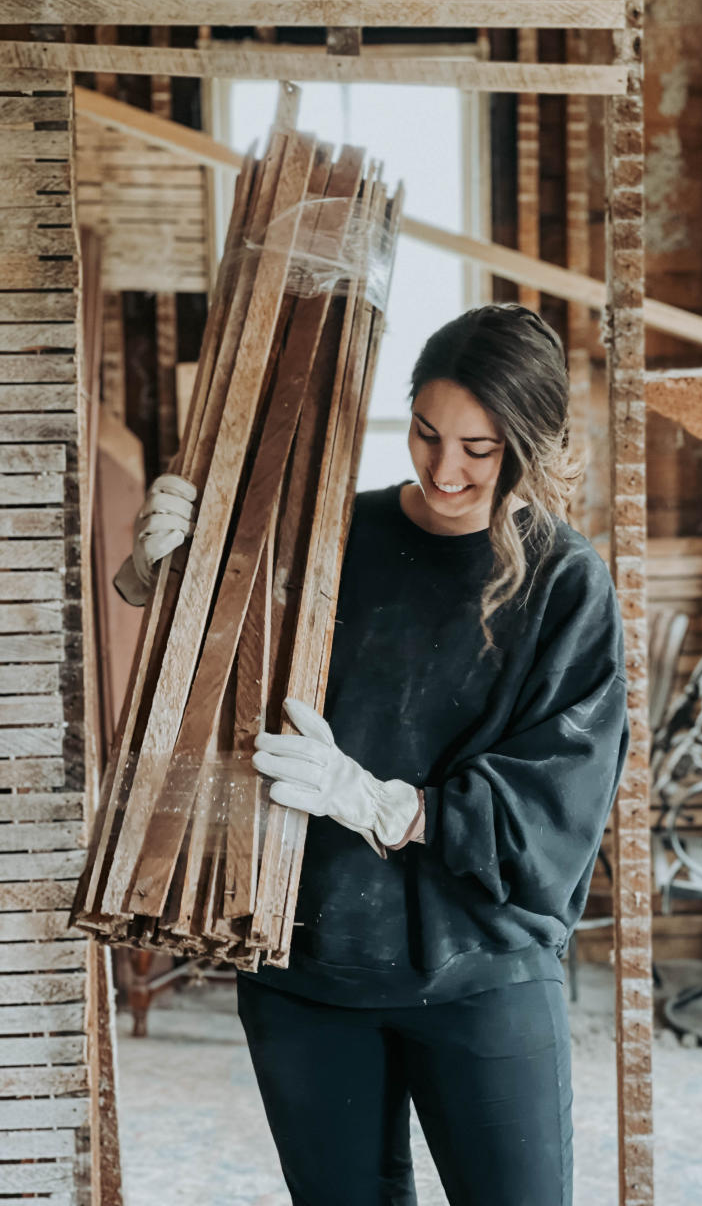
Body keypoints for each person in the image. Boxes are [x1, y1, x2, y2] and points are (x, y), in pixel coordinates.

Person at [121, 304, 628, 1206]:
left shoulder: (565, 582)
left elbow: (563, 803)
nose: (443, 470)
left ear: (532, 443)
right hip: (311, 966)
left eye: (480, 448)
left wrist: (385, 803)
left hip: (485, 968)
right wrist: (164, 580)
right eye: (428, 434)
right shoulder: (327, 541)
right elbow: (215, 689)